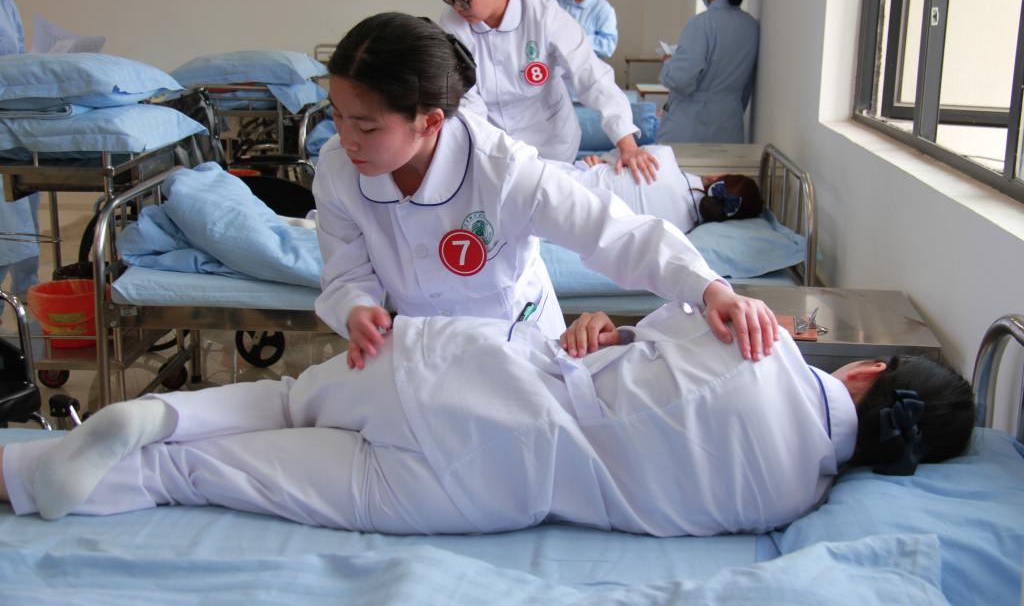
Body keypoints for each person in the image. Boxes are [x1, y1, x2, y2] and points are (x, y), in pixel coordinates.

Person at [0, 303, 975, 537]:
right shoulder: (790, 499)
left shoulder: (756, 342)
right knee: (206, 480)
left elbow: (637, 335)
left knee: (290, 396)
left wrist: (607, 336)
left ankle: (157, 412)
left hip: (461, 378)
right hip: (481, 490)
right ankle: (71, 477)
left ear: (866, 366)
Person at [313, 12, 776, 370]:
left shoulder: (503, 171)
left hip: (519, 349)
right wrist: (356, 309)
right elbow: (346, 272)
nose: (346, 139)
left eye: (366, 127)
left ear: (431, 121)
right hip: (421, 350)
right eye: (337, 115)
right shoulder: (338, 170)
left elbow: (612, 232)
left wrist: (709, 289)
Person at [437, 0, 658, 183]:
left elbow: (591, 76)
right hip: (494, 145)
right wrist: (483, 150)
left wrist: (627, 144)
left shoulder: (543, 14)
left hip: (551, 143)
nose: (457, 7)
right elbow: (466, 96)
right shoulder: (452, 24)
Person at [657, 0, 759, 144]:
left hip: (690, 128)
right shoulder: (751, 26)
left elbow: (680, 81)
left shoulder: (701, 24)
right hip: (729, 127)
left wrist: (670, 63)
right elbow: (746, 88)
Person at [569, 145, 763, 234]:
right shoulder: (675, 233)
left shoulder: (661, 158)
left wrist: (599, 164)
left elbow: (613, 158)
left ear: (715, 178)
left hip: (565, 181)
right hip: (570, 226)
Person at [0, 0, 41, 310]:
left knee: (24, 233)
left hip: (13, 127)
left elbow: (16, 58)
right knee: (6, 237)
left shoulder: (6, 4)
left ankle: (31, 312)